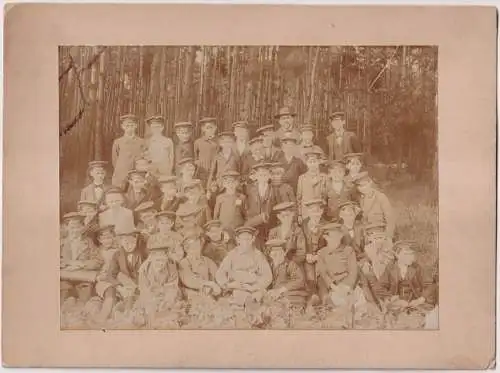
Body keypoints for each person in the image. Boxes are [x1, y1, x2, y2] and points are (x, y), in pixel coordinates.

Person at [215, 226, 273, 308]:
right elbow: (220, 273)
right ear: (237, 240)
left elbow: (267, 276)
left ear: (253, 239)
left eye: (248, 239)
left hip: (253, 288)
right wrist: (229, 285)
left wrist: (256, 286)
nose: (245, 242)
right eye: (242, 239)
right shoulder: (232, 254)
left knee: (259, 303)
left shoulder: (258, 255)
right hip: (236, 288)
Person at [377, 240, 435, 308]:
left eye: (412, 254)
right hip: (396, 303)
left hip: (415, 302)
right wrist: (390, 298)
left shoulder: (417, 267)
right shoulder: (390, 268)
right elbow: (380, 287)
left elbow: (431, 285)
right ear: (397, 255)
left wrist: (420, 299)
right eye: (406, 254)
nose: (411, 257)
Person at [316, 222, 361, 307]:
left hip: (347, 285)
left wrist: (346, 287)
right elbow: (324, 274)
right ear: (325, 237)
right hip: (332, 286)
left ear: (341, 236)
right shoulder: (322, 253)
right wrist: (334, 288)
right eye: (332, 237)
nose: (335, 239)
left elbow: (353, 272)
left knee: (356, 302)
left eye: (338, 236)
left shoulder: (348, 250)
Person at [60, 212, 102, 302]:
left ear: (83, 228)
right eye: (72, 227)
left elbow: (98, 261)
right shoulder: (61, 243)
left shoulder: (89, 242)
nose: (75, 230)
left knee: (85, 295)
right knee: (63, 295)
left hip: (84, 278)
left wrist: (80, 264)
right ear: (66, 227)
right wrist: (67, 264)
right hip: (65, 277)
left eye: (78, 227)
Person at [264, 239, 308, 310]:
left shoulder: (291, 264)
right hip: (275, 294)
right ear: (270, 255)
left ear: (284, 253)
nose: (276, 255)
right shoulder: (269, 265)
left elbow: (300, 280)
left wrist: (281, 290)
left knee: (285, 301)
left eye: (279, 253)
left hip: (292, 294)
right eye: (273, 253)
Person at [301, 199, 327, 307]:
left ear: (321, 211)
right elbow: (300, 241)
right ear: (308, 212)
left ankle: (325, 297)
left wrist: (319, 255)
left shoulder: (326, 225)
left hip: (321, 257)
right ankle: (313, 297)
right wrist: (306, 254)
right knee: (309, 272)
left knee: (321, 273)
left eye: (317, 211)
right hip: (307, 257)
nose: (315, 214)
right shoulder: (303, 224)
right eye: (312, 211)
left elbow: (328, 245)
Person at [354, 171, 395, 240]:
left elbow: (390, 220)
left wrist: (388, 237)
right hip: (363, 232)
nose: (362, 188)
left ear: (370, 183)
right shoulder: (359, 198)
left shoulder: (380, 197)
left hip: (379, 232)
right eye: (359, 186)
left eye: (364, 185)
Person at [179, 233, 221, 300]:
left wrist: (215, 285)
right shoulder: (184, 263)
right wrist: (209, 284)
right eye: (193, 247)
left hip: (208, 291)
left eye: (198, 246)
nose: (197, 249)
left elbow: (217, 274)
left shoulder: (207, 260)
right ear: (186, 249)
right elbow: (189, 281)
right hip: (190, 293)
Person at [244, 162, 276, 242]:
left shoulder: (274, 190)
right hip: (255, 225)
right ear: (256, 176)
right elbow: (246, 207)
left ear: (269, 176)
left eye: (265, 175)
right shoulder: (249, 189)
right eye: (260, 175)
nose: (263, 177)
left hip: (270, 225)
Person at [111, 114, 145, 188]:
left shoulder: (141, 142)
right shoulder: (118, 142)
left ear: (136, 126)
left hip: (137, 174)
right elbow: (115, 160)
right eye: (127, 126)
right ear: (122, 127)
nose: (129, 128)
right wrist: (120, 169)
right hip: (121, 174)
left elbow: (144, 158)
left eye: (132, 125)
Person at [296, 147, 328, 221]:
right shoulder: (302, 178)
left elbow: (326, 196)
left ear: (319, 162)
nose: (313, 164)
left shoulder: (324, 177)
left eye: (315, 162)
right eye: (310, 162)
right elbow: (299, 198)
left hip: (319, 213)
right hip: (305, 213)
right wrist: (300, 214)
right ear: (306, 163)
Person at [207, 131, 240, 200]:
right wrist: (208, 189)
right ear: (221, 144)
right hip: (220, 185)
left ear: (233, 143)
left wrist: (237, 183)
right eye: (224, 142)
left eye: (229, 142)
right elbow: (212, 173)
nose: (227, 144)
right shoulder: (217, 156)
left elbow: (240, 170)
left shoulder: (236, 156)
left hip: (232, 184)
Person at [194, 117, 219, 186]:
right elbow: (195, 158)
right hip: (202, 173)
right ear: (203, 129)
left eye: (212, 127)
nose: (210, 130)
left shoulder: (219, 141)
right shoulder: (198, 142)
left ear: (215, 128)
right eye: (207, 128)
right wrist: (197, 162)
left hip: (215, 173)